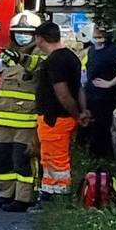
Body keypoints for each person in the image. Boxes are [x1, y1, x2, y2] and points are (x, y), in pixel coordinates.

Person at [0, 10, 46, 213]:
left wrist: (21, 58)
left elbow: (38, 68)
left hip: (27, 120)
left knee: (22, 160)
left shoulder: (40, 54)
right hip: (3, 118)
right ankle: (6, 194)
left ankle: (24, 198)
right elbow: (0, 86)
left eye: (27, 32)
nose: (22, 36)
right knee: (2, 159)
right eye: (18, 32)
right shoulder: (7, 53)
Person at [36, 20, 87, 201]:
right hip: (61, 118)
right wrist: (82, 111)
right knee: (51, 158)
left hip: (55, 119)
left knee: (55, 160)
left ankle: (57, 195)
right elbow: (79, 88)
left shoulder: (55, 60)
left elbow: (63, 93)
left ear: (40, 39)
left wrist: (77, 115)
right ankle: (50, 192)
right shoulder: (71, 57)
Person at [85, 24, 116, 157]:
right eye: (96, 28)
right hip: (91, 98)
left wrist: (110, 83)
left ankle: (103, 160)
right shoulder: (92, 50)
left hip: (103, 100)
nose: (97, 33)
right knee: (91, 133)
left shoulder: (113, 51)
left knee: (101, 133)